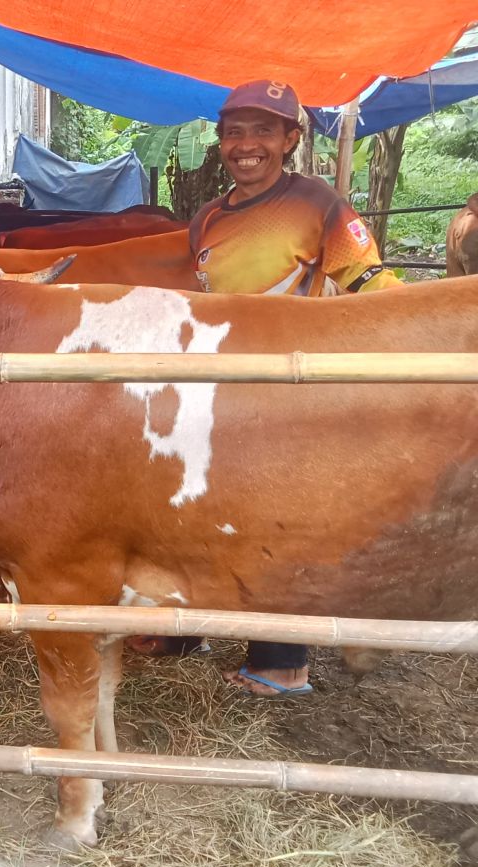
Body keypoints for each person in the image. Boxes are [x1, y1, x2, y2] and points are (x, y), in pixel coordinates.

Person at [131, 79, 402, 697]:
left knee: (277, 527)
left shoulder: (320, 206)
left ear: (290, 139)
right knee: (198, 513)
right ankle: (186, 628)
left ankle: (282, 660)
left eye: (262, 130)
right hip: (217, 395)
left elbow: (371, 285)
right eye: (234, 131)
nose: (245, 144)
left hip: (289, 396)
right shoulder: (207, 219)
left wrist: (420, 348)